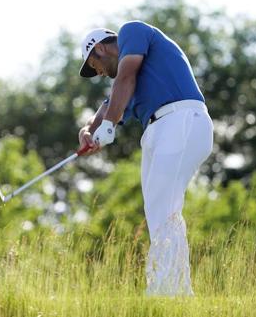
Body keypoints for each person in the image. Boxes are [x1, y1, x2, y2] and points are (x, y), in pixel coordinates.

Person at [77, 21, 213, 296]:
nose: (100, 73)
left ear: (101, 48)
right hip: (158, 129)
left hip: (181, 119)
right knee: (158, 212)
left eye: (95, 66)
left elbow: (124, 78)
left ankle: (164, 292)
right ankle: (176, 291)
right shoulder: (130, 85)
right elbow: (108, 105)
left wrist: (109, 125)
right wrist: (89, 130)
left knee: (164, 210)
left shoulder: (132, 31)